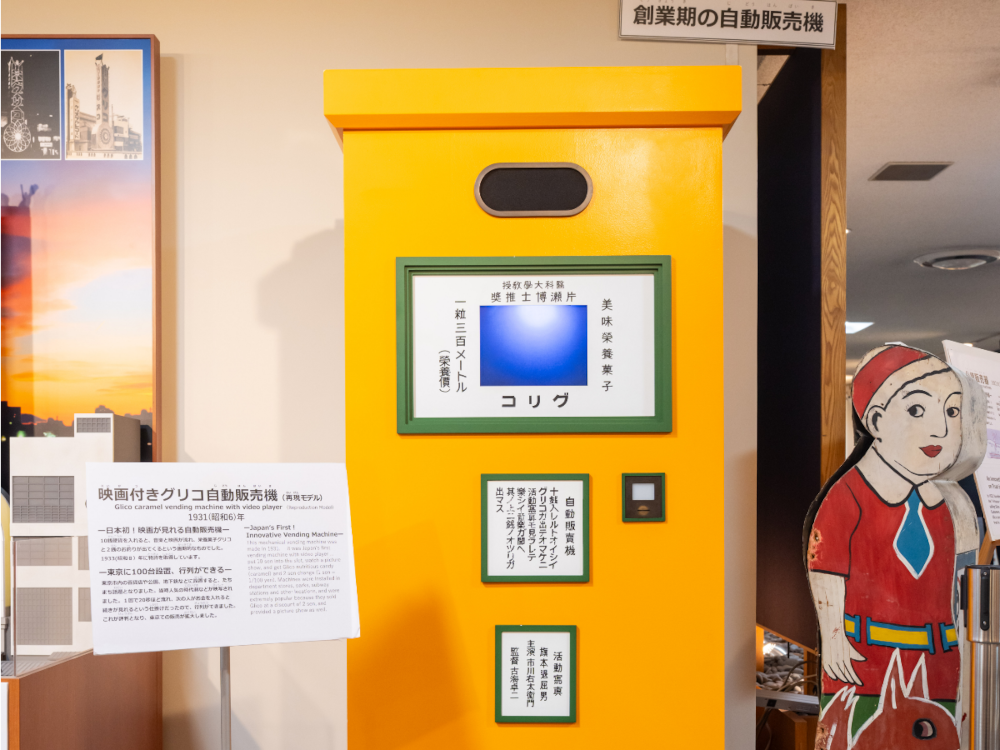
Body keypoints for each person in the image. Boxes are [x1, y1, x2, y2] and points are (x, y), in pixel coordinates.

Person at [807, 345, 983, 741]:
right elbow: (826, 566)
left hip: (939, 659)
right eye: (917, 410)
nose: (940, 429)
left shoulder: (949, 502)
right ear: (877, 420)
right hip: (866, 657)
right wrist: (834, 635)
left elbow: (960, 586)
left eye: (952, 412)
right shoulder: (849, 496)